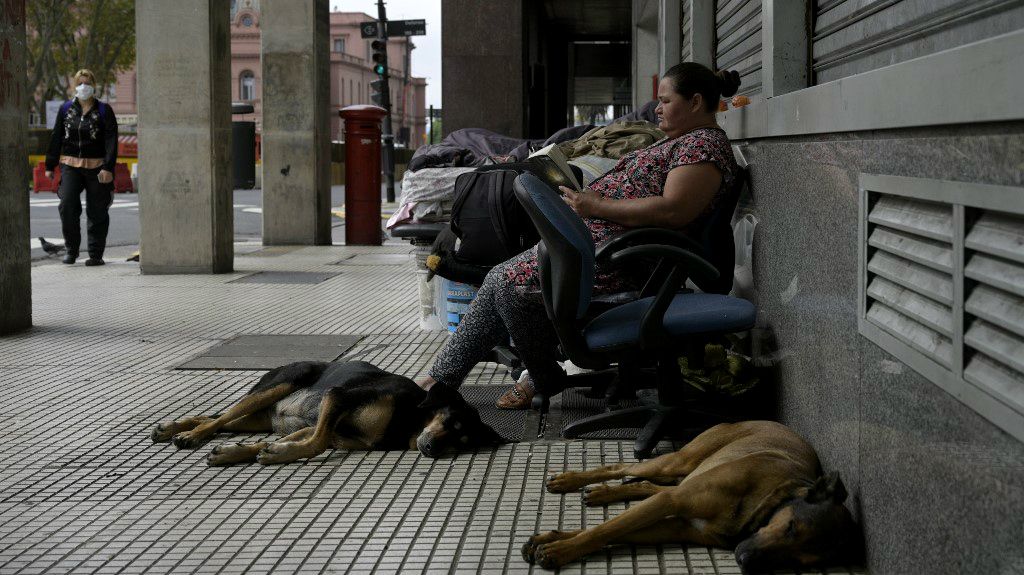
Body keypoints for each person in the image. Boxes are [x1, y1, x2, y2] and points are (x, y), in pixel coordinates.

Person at [417, 62, 743, 409]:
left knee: (506, 285)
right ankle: (452, 377)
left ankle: (494, 376)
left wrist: (597, 206)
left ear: (695, 102)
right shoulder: (679, 141)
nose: (658, 109)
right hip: (597, 245)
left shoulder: (702, 146)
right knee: (502, 281)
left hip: (623, 259)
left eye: (666, 101)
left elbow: (674, 210)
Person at [45, 68, 119, 266]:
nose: (83, 87)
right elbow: (56, 136)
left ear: (93, 85)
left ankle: (95, 254)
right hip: (70, 165)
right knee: (67, 205)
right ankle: (71, 250)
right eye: (79, 83)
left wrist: (108, 167)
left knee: (97, 211)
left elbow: (112, 140)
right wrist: (50, 164)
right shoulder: (65, 109)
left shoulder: (104, 110)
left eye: (87, 83)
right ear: (74, 86)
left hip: (97, 167)